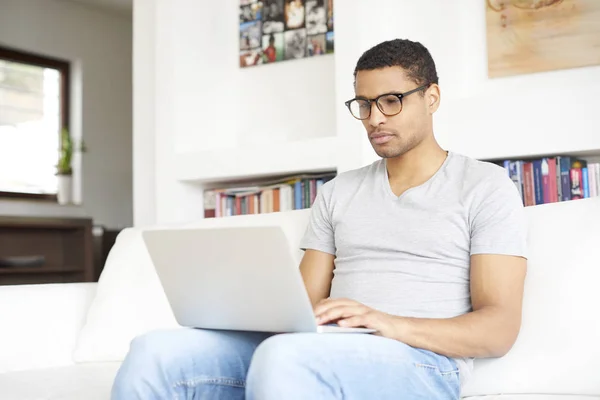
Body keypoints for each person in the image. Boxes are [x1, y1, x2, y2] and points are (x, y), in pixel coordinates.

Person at [111, 38, 528, 399]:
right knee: (154, 352)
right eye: (363, 104)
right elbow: (303, 306)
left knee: (285, 359)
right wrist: (248, 309)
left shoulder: (484, 186)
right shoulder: (337, 192)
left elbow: (498, 330)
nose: (375, 118)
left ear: (431, 97)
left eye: (391, 101)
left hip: (424, 362)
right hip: (322, 348)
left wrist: (386, 323)